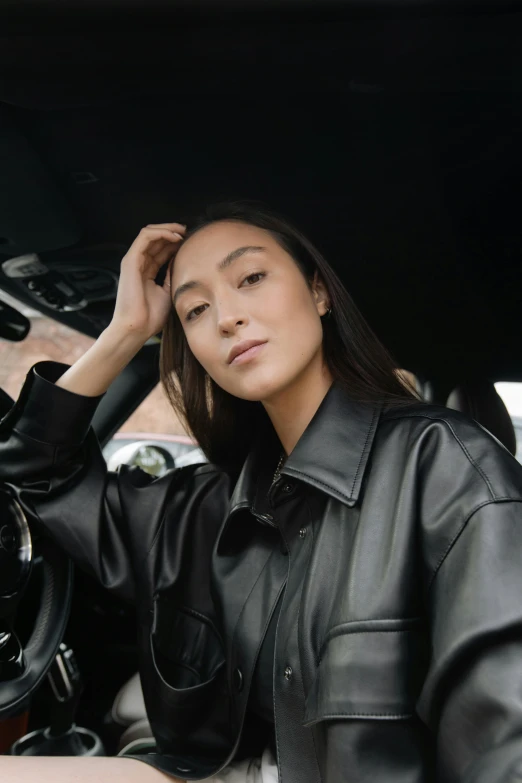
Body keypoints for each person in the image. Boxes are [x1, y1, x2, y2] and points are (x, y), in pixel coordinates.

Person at [1, 200, 522, 783]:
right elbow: (33, 477)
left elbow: (504, 746)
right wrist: (123, 332)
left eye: (251, 278)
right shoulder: (204, 507)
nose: (225, 317)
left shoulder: (446, 465)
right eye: (194, 310)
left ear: (319, 292)